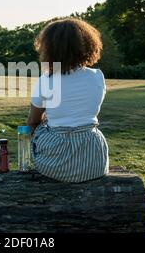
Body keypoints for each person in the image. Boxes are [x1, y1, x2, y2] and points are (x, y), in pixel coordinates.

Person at [27, 18, 109, 183]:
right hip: (95, 162)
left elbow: (32, 122)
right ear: (87, 44)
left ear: (49, 49)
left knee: (39, 126)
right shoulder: (97, 76)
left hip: (55, 165)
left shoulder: (46, 80)